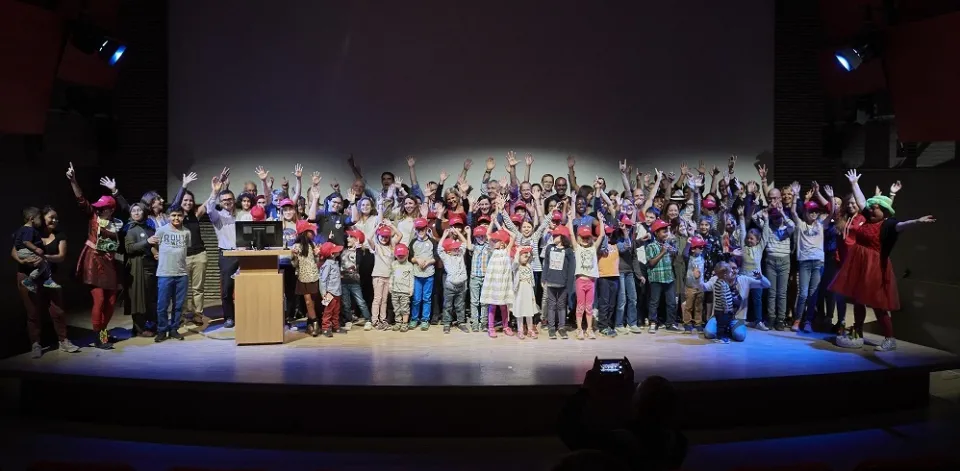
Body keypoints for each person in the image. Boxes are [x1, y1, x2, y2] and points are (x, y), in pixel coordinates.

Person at [831, 170, 936, 351]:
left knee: (878, 304)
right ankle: (858, 331)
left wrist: (917, 221)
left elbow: (902, 225)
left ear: (884, 211)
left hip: (874, 267)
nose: (870, 209)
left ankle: (889, 338)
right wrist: (854, 183)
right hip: (859, 264)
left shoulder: (888, 224)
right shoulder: (868, 218)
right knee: (858, 300)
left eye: (875, 208)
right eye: (871, 208)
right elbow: (863, 201)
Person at [67, 162, 128, 349]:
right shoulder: (94, 218)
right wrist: (73, 180)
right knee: (100, 300)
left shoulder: (117, 223)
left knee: (110, 302)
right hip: (94, 261)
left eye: (104, 208)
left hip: (110, 262)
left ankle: (103, 332)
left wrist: (115, 190)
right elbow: (81, 200)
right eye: (99, 208)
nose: (100, 210)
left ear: (110, 209)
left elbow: (129, 211)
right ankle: (99, 337)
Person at [13, 206, 79, 358]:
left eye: (57, 218)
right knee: (33, 312)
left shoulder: (59, 235)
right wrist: (24, 259)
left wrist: (44, 258)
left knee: (58, 310)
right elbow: (14, 251)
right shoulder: (31, 232)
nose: (55, 220)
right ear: (42, 218)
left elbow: (61, 256)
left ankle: (64, 341)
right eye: (51, 217)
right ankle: (36, 344)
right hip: (27, 275)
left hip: (50, 276)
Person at [701, 261, 772, 343]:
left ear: (738, 270)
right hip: (719, 316)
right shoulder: (717, 279)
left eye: (734, 268)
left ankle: (729, 329)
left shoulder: (744, 280)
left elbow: (767, 285)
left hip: (736, 318)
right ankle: (724, 330)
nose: (732, 270)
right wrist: (698, 278)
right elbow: (704, 287)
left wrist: (761, 277)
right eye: (730, 268)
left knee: (740, 336)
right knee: (709, 333)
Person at [171, 172, 207, 327]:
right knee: (182, 288)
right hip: (182, 257)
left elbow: (209, 202)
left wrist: (217, 189)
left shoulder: (196, 215)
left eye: (190, 200)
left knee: (198, 288)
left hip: (199, 255)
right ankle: (184, 314)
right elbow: (175, 204)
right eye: (185, 200)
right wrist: (184, 185)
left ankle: (198, 314)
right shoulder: (176, 217)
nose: (188, 202)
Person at [205, 169, 239, 328]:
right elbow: (209, 208)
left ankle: (245, 314)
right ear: (221, 201)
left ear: (234, 200)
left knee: (246, 287)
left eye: (230, 199)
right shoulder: (217, 216)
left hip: (244, 254)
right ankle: (229, 318)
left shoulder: (240, 215)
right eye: (224, 199)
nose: (227, 201)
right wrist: (215, 191)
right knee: (226, 289)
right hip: (227, 255)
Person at [154, 206, 191, 342]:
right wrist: (155, 254)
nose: (176, 218)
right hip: (164, 273)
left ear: (183, 217)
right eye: (173, 215)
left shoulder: (186, 232)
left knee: (179, 305)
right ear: (169, 216)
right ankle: (162, 330)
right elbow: (153, 244)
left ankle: (174, 329)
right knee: (162, 305)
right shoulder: (161, 231)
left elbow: (186, 247)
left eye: (179, 216)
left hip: (182, 274)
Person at [123, 203, 159, 337]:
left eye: (139, 210)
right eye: (134, 211)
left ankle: (150, 324)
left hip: (151, 267)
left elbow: (153, 245)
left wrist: (156, 252)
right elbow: (129, 248)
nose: (136, 213)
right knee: (138, 298)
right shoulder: (130, 229)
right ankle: (139, 328)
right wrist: (147, 242)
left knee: (150, 298)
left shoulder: (149, 227)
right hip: (137, 267)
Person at [480, 208, 516, 338]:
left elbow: (514, 236)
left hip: (503, 283)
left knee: (504, 306)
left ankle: (506, 326)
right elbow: (488, 234)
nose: (493, 241)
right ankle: (490, 327)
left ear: (501, 242)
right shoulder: (493, 249)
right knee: (493, 305)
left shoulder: (506, 250)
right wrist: (493, 221)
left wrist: (505, 230)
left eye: (496, 241)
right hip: (494, 283)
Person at [13, 207, 61, 292]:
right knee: (44, 263)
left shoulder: (21, 230)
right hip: (25, 253)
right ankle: (32, 280)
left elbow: (16, 239)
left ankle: (34, 280)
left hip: (22, 252)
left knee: (42, 263)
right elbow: (26, 241)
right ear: (31, 219)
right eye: (39, 218)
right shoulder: (30, 230)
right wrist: (36, 249)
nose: (41, 221)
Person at [645, 219, 679, 333]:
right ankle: (653, 322)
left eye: (667, 231)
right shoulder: (651, 246)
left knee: (671, 302)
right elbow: (651, 263)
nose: (666, 234)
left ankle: (670, 323)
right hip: (656, 278)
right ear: (656, 233)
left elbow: (674, 256)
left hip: (668, 277)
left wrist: (673, 252)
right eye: (664, 231)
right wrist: (663, 252)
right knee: (654, 301)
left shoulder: (668, 245)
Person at [542, 225, 575, 339]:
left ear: (562, 237)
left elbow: (571, 268)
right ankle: (551, 328)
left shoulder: (568, 251)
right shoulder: (549, 248)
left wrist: (570, 284)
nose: (553, 237)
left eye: (556, 235)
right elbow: (546, 264)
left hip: (563, 283)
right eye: (553, 235)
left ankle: (561, 327)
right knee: (551, 305)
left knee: (561, 306)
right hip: (551, 281)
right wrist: (543, 278)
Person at [291, 220, 321, 336]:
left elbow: (316, 262)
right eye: (310, 231)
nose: (313, 233)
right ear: (304, 232)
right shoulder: (297, 246)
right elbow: (294, 264)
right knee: (308, 301)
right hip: (303, 276)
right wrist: (293, 255)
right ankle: (315, 323)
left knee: (312, 302)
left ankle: (310, 324)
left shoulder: (312, 245)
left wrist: (317, 254)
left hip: (313, 275)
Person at [438, 229, 470, 334]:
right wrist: (444, 235)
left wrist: (458, 232)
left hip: (461, 285)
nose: (456, 249)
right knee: (448, 305)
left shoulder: (460, 254)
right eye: (454, 248)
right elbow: (439, 249)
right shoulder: (446, 257)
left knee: (460, 305)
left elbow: (464, 243)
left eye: (457, 248)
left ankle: (461, 322)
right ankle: (447, 323)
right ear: (448, 250)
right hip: (450, 286)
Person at [340, 229, 373, 330]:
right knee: (346, 303)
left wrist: (358, 249)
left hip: (354, 282)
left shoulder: (359, 252)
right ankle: (348, 320)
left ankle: (368, 320)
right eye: (348, 236)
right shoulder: (343, 250)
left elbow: (358, 262)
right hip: (343, 281)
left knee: (360, 302)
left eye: (351, 237)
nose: (348, 238)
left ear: (357, 239)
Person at [409, 217, 436, 331]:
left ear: (426, 228)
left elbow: (436, 257)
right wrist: (417, 260)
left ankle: (425, 319)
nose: (420, 231)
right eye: (418, 229)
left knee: (427, 298)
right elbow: (409, 257)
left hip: (429, 274)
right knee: (416, 298)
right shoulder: (413, 242)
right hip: (416, 275)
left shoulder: (432, 242)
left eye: (422, 229)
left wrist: (429, 262)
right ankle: (415, 318)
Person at [317, 241, 345, 338]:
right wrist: (323, 292)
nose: (339, 252)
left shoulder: (335, 263)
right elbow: (322, 279)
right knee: (328, 311)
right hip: (329, 292)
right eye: (336, 251)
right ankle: (325, 328)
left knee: (336, 310)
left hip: (337, 291)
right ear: (332, 254)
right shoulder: (327, 264)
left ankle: (335, 326)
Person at [512, 246, 539, 339]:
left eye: (527, 257)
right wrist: (518, 251)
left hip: (528, 290)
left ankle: (530, 329)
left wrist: (529, 250)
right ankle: (520, 330)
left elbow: (533, 256)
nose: (526, 258)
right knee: (520, 311)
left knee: (529, 311)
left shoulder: (529, 266)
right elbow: (515, 261)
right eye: (524, 256)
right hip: (520, 291)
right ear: (519, 257)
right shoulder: (516, 266)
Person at [682, 235, 706, 333]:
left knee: (698, 306)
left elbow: (707, 247)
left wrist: (701, 239)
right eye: (699, 247)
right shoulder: (689, 258)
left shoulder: (702, 257)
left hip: (700, 286)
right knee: (689, 306)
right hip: (690, 287)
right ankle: (687, 323)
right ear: (693, 249)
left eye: (702, 247)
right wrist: (688, 243)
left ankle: (698, 323)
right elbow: (684, 253)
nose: (701, 249)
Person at [390, 243, 415, 331]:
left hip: (405, 292)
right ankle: (398, 322)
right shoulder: (394, 264)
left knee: (405, 308)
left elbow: (411, 279)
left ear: (407, 254)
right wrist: (390, 286)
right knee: (396, 308)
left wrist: (411, 289)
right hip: (395, 291)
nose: (400, 257)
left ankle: (405, 323)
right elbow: (392, 276)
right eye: (399, 255)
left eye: (402, 255)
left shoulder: (409, 266)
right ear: (395, 255)